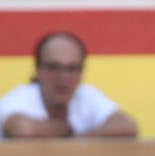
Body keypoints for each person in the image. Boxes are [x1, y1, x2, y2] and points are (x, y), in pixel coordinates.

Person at [0, 31, 137, 139]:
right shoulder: (20, 97)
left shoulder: (85, 94)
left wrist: (77, 140)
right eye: (54, 67)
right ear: (37, 70)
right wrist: (67, 130)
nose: (63, 76)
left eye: (72, 68)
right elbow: (23, 130)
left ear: (81, 73)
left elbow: (126, 126)